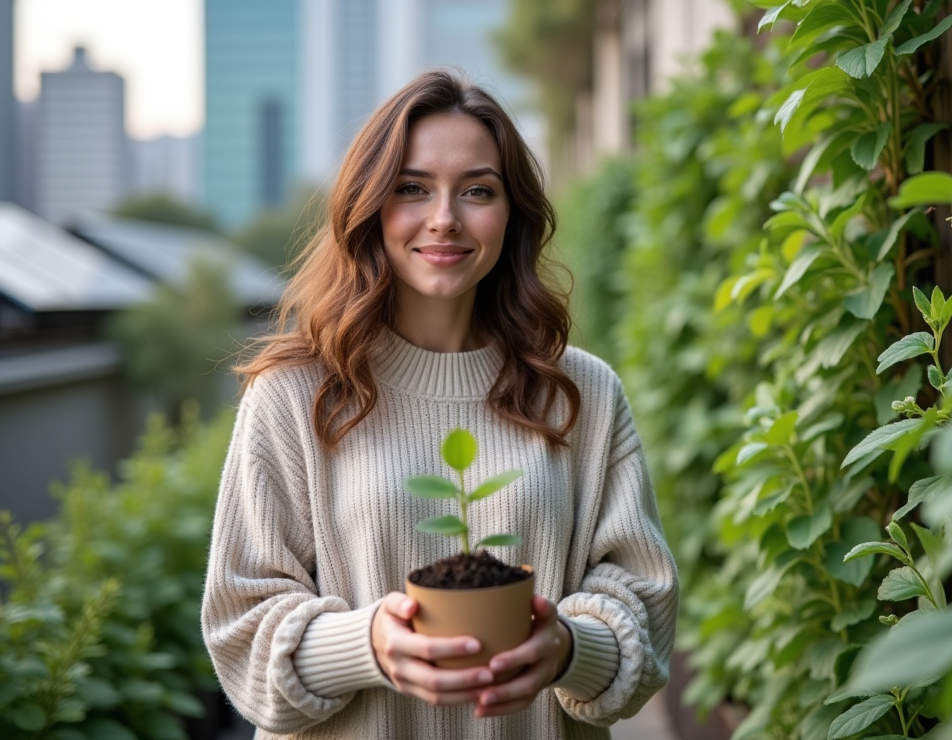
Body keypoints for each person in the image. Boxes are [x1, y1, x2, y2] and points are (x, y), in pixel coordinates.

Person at [200, 70, 679, 740]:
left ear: (512, 213)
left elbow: (646, 610)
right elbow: (241, 637)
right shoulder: (292, 396)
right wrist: (368, 646)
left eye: (478, 190)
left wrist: (569, 647)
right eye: (412, 188)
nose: (445, 218)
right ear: (369, 205)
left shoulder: (583, 393)